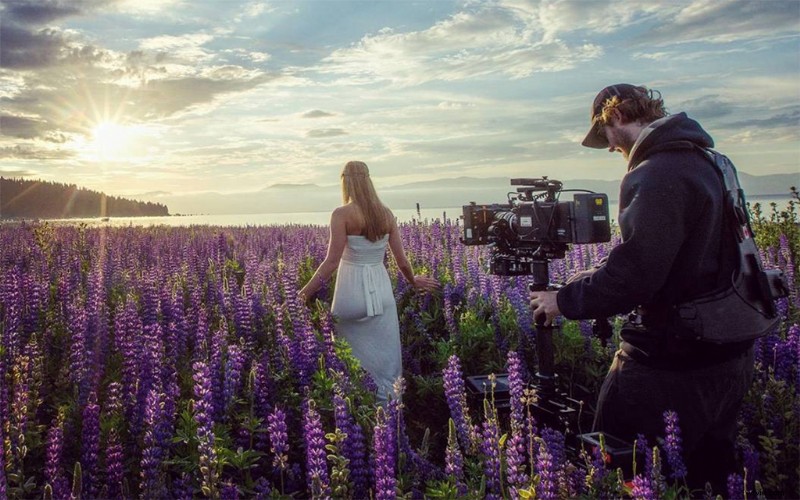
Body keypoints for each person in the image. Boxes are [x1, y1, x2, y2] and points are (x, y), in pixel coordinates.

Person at [529, 84, 755, 492]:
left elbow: (636, 276)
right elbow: (673, 255)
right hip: (728, 351)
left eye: (609, 143)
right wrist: (590, 278)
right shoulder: (711, 162)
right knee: (707, 476)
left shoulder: (655, 172)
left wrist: (562, 300)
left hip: (671, 359)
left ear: (614, 118)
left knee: (621, 469)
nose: (614, 151)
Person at [299, 160, 438, 404]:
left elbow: (331, 263)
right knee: (385, 358)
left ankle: (355, 411)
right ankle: (388, 410)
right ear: (369, 180)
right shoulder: (386, 214)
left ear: (346, 181)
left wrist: (302, 295)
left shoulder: (342, 214)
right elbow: (402, 261)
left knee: (347, 358)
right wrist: (413, 281)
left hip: (350, 291)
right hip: (381, 292)